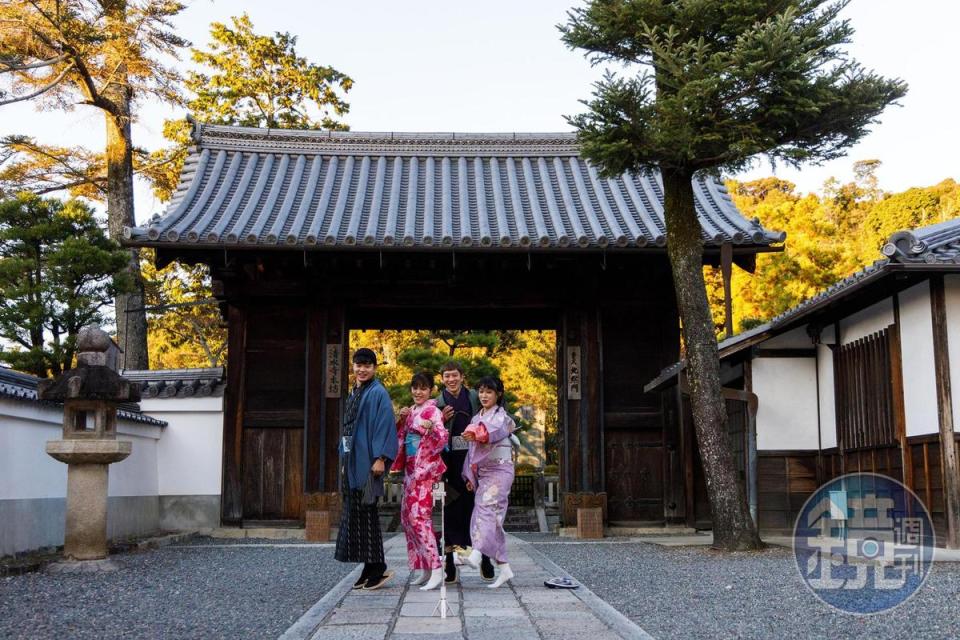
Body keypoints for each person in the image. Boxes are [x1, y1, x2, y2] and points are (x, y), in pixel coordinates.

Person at [334, 348, 398, 591]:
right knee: (356, 517)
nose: (362, 369)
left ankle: (377, 566)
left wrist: (381, 457)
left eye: (367, 365)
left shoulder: (378, 393)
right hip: (352, 463)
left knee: (367, 516)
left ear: (374, 368)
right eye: (358, 365)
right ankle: (369, 566)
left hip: (368, 465)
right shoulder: (356, 392)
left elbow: (385, 425)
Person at [435, 361, 496, 583]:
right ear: (441, 379)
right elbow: (426, 435)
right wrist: (441, 420)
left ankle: (485, 558)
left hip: (472, 463)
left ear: (462, 376)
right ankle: (449, 563)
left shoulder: (473, 396)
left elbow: (490, 417)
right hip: (446, 465)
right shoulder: (436, 403)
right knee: (448, 513)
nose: (451, 380)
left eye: (454, 375)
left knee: (478, 512)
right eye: (446, 376)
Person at [392, 372, 448, 591]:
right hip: (410, 471)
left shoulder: (432, 410)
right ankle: (424, 567)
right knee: (407, 519)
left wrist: (429, 428)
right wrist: (401, 420)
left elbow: (442, 438)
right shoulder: (412, 411)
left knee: (420, 518)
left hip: (424, 472)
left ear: (431, 390)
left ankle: (436, 568)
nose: (418, 392)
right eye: (414, 388)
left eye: (423, 388)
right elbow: (401, 438)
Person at [461, 375, 517, 589]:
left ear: (498, 394)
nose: (484, 395)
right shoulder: (477, 418)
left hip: (500, 470)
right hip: (484, 472)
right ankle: (504, 568)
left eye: (489, 392)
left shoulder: (501, 417)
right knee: (490, 518)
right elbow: (472, 450)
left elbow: (488, 433)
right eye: (481, 391)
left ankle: (476, 553)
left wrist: (474, 433)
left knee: (486, 510)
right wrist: (470, 475)